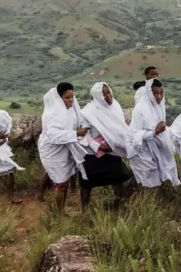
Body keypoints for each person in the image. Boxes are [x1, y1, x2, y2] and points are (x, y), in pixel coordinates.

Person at [79, 82, 134, 210]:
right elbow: (83, 135)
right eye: (104, 94)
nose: (108, 96)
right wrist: (98, 146)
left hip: (112, 151)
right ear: (97, 96)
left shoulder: (115, 106)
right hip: (93, 153)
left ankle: (120, 205)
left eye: (109, 92)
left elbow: (119, 128)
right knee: (87, 182)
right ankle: (84, 210)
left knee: (118, 177)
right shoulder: (88, 112)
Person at [38, 83, 89, 215]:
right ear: (59, 98)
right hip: (52, 151)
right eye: (67, 98)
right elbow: (54, 136)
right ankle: (60, 213)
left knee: (64, 179)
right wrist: (76, 133)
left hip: (65, 147)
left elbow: (76, 123)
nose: (71, 100)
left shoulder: (71, 110)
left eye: (72, 97)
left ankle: (49, 200)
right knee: (61, 183)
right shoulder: (51, 115)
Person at [128, 79, 180, 188]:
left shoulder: (158, 107)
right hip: (142, 152)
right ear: (149, 93)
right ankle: (143, 201)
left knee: (160, 178)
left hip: (156, 149)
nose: (159, 96)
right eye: (155, 93)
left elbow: (162, 127)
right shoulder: (140, 110)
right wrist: (154, 132)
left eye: (161, 93)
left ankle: (158, 200)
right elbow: (134, 136)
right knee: (147, 181)